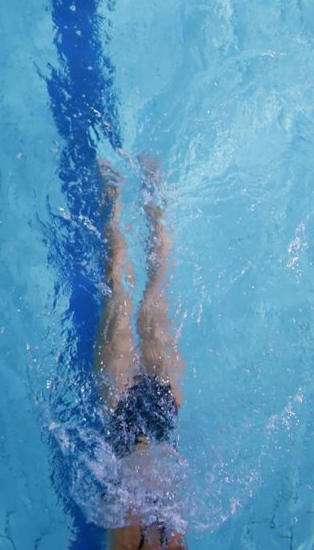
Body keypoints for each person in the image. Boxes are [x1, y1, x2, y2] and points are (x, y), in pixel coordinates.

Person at [95, 155, 187, 549]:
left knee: (123, 294)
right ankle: (152, 198)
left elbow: (127, 510)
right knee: (149, 296)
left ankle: (116, 196)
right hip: (158, 426)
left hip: (126, 425)